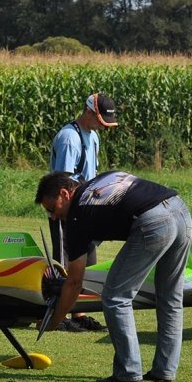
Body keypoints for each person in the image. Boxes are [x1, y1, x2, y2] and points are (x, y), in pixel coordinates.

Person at [36, 170, 192, 382]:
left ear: (64, 194)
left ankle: (128, 371)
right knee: (170, 298)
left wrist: (54, 321)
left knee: (115, 297)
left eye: (52, 209)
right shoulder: (97, 182)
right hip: (180, 210)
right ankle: (164, 370)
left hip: (153, 220)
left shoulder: (76, 214)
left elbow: (74, 282)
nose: (53, 217)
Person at [47, 92, 118, 332]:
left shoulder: (93, 135)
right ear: (89, 113)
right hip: (67, 210)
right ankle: (61, 314)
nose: (103, 126)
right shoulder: (69, 138)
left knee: (89, 262)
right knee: (65, 263)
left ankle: (80, 313)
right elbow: (62, 183)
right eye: (101, 120)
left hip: (87, 209)